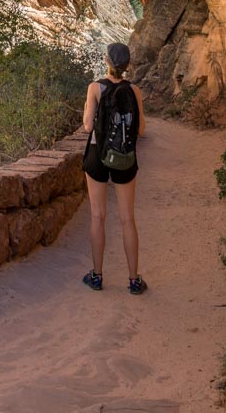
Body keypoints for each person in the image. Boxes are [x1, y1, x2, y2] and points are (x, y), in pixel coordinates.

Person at [81, 41, 147, 294]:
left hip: (99, 154)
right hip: (125, 156)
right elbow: (141, 130)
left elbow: (88, 127)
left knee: (98, 216)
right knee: (127, 218)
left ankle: (97, 276)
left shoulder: (95, 87)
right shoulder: (135, 90)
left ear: (107, 61)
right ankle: (134, 280)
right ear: (127, 65)